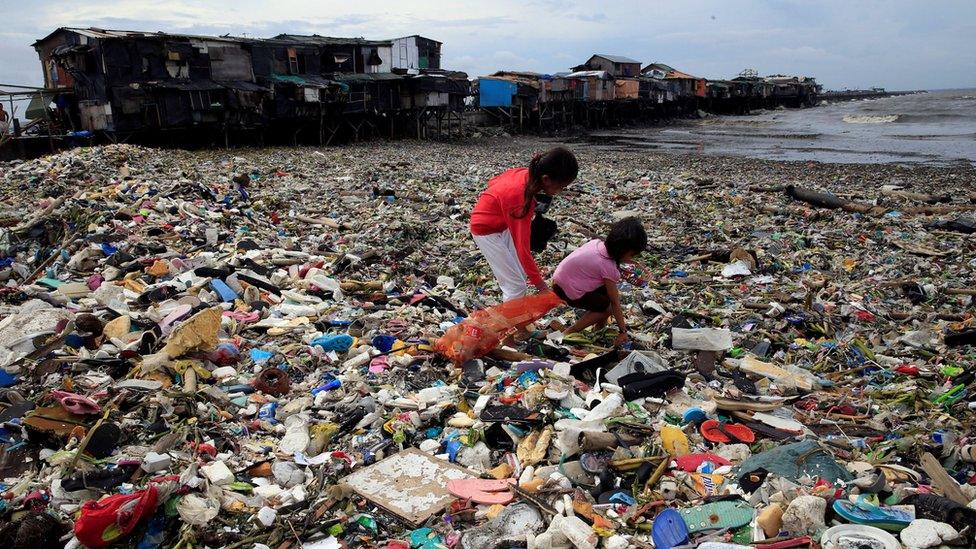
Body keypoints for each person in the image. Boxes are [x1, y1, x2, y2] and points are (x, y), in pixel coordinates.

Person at [469, 147, 578, 301]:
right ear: (546, 179)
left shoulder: (526, 174)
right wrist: (542, 287)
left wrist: (498, 205)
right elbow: (523, 249)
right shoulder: (520, 201)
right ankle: (507, 323)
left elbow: (493, 181)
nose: (560, 191)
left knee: (519, 274)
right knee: (516, 286)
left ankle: (516, 323)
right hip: (485, 230)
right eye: (561, 187)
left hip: (500, 223)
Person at [552, 217, 648, 346]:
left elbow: (599, 264)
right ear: (622, 250)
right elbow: (615, 302)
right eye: (631, 255)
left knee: (605, 297)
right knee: (608, 308)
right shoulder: (607, 266)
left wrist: (630, 261)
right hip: (566, 290)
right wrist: (622, 331)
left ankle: (598, 329)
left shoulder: (597, 243)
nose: (632, 258)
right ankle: (569, 332)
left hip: (560, 279)